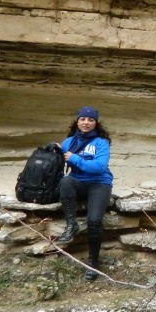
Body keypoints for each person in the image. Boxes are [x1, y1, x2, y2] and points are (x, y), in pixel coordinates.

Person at [55, 106, 114, 282]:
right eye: (83, 119)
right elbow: (58, 166)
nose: (86, 123)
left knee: (94, 220)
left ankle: (93, 263)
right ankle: (71, 224)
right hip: (78, 183)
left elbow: (99, 167)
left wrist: (74, 158)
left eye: (90, 120)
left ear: (96, 123)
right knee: (65, 180)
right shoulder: (68, 142)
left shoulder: (100, 143)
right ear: (77, 121)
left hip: (99, 184)